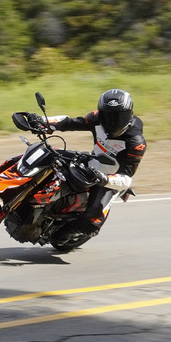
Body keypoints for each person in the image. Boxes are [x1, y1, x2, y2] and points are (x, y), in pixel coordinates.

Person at [46, 88, 146, 241]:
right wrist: (42, 121)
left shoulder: (136, 143)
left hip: (110, 179)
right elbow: (70, 123)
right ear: (101, 114)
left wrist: (104, 179)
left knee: (91, 222)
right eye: (108, 117)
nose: (113, 123)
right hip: (92, 162)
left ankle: (72, 230)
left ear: (130, 114)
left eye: (119, 117)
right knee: (49, 155)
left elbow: (126, 179)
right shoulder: (95, 118)